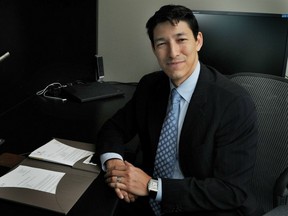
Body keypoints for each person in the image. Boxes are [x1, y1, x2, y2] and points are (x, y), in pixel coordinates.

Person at [92, 4, 263, 216]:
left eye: (181, 40)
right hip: (147, 202)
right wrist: (115, 166)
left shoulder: (234, 103)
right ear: (154, 49)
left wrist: (152, 186)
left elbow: (230, 191)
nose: (173, 53)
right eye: (162, 43)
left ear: (198, 41)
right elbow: (114, 128)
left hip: (208, 208)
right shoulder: (150, 86)